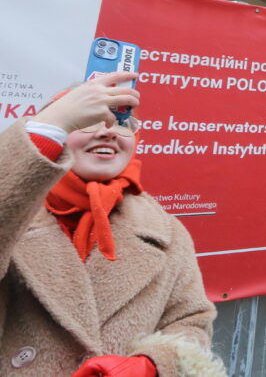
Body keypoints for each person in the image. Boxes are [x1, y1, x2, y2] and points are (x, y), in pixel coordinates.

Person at [0, 73, 225, 376]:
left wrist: (151, 365)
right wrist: (39, 137)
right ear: (58, 129)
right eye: (89, 120)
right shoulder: (13, 214)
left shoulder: (166, 232)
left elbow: (192, 322)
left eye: (122, 122)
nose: (108, 132)